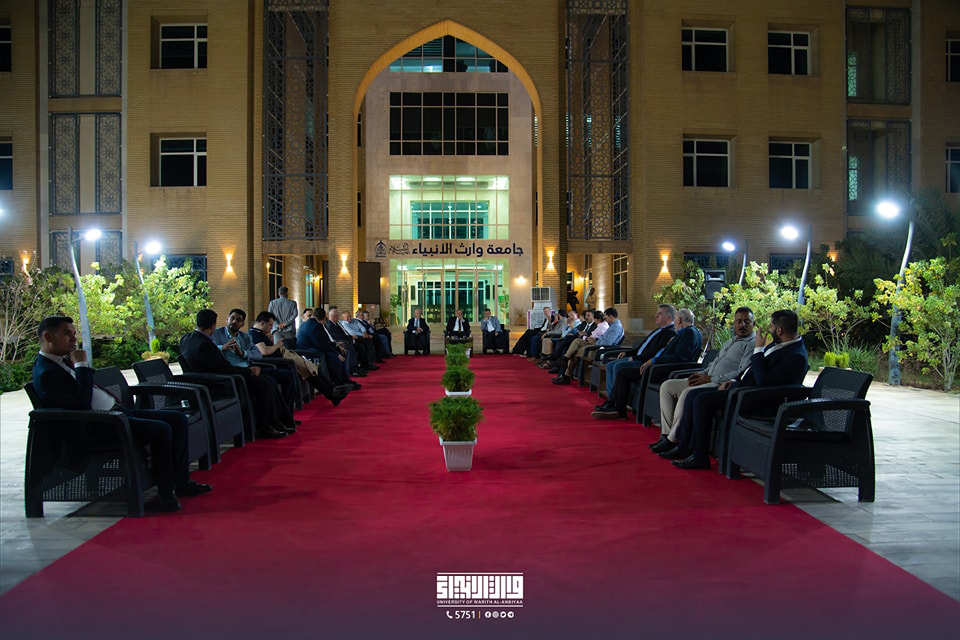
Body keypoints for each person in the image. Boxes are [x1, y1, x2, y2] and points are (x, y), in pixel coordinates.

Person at [33, 315, 210, 513]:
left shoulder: (62, 362)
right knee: (161, 429)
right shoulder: (46, 372)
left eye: (74, 333)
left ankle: (181, 482)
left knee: (177, 419)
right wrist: (82, 366)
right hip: (99, 425)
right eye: (67, 334)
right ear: (48, 336)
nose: (74, 339)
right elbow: (80, 405)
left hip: (115, 414)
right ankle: (165, 492)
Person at [663, 309, 809, 470]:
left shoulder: (795, 356)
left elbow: (764, 382)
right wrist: (733, 381)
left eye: (771, 326)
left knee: (701, 400)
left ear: (779, 330)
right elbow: (749, 370)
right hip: (741, 389)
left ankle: (700, 456)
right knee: (693, 396)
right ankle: (685, 446)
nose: (769, 329)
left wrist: (758, 350)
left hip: (755, 399)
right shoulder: (778, 345)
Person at [648, 307, 756, 453]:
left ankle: (673, 439)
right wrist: (701, 373)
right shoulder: (730, 342)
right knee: (667, 386)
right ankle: (666, 434)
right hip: (706, 378)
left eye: (746, 322)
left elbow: (740, 372)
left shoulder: (752, 345)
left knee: (687, 393)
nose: (742, 325)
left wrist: (710, 378)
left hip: (719, 383)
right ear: (734, 324)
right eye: (739, 321)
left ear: (753, 324)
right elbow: (714, 363)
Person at [180, 309, 292, 439]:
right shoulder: (206, 345)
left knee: (268, 381)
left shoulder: (186, 338)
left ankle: (277, 421)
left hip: (208, 380)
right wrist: (249, 371)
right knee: (263, 384)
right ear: (213, 326)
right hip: (218, 383)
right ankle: (264, 427)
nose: (233, 322)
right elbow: (224, 368)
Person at [591, 308, 700, 418]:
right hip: (657, 366)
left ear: (679, 320)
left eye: (675, 319)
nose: (675, 322)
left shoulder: (689, 333)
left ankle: (617, 408)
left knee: (622, 372)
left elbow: (679, 357)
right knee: (621, 370)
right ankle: (614, 405)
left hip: (661, 369)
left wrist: (653, 360)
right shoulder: (686, 332)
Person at [249, 311, 351, 406]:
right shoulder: (255, 334)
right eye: (270, 325)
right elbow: (264, 351)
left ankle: (333, 391)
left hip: (284, 356)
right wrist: (277, 345)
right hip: (280, 361)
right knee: (310, 370)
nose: (271, 328)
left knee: (312, 368)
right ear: (262, 323)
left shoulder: (260, 333)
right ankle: (332, 394)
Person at [213, 308, 300, 415]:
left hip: (250, 366)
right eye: (232, 318)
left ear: (242, 324)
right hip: (236, 371)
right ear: (227, 319)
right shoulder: (217, 334)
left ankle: (286, 415)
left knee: (288, 376)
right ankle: (276, 418)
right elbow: (209, 349)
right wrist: (223, 347)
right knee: (268, 382)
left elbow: (258, 354)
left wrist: (243, 353)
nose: (234, 321)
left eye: (238, 320)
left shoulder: (245, 337)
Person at [596, 304, 677, 399]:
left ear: (669, 317)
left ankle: (615, 400)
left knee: (617, 366)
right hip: (638, 357)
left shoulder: (669, 332)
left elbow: (654, 352)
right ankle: (611, 398)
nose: (656, 316)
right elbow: (642, 347)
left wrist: (634, 357)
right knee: (610, 365)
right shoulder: (659, 330)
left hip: (644, 362)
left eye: (660, 314)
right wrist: (627, 353)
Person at [552, 308, 624, 384]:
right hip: (597, 343)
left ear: (611, 316)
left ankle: (566, 374)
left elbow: (607, 343)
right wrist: (594, 340)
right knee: (577, 341)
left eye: (606, 317)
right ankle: (565, 359)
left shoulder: (616, 328)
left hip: (601, 348)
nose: (604, 319)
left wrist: (595, 341)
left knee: (574, 352)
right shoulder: (612, 326)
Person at [296, 311, 361, 390]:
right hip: (309, 352)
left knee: (344, 352)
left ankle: (345, 379)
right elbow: (322, 345)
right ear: (324, 319)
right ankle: (338, 383)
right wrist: (336, 354)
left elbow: (325, 341)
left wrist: (336, 346)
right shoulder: (314, 326)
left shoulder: (314, 324)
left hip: (316, 348)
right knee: (334, 356)